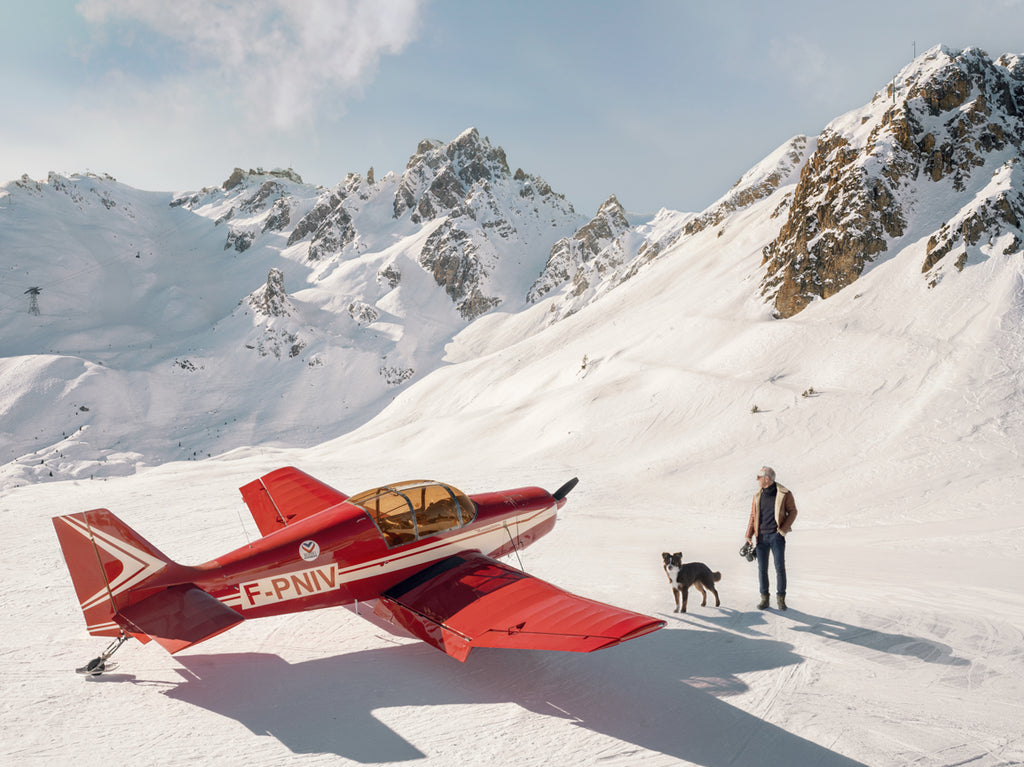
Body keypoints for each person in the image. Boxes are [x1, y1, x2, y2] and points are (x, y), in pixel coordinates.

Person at [744, 466, 798, 610]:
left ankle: (781, 599)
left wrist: (782, 531)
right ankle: (764, 599)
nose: (757, 479)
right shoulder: (757, 495)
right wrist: (748, 535)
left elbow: (793, 511)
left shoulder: (784, 494)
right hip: (761, 537)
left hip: (776, 537)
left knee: (780, 568)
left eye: (759, 477)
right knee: (762, 569)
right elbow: (753, 516)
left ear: (767, 479)